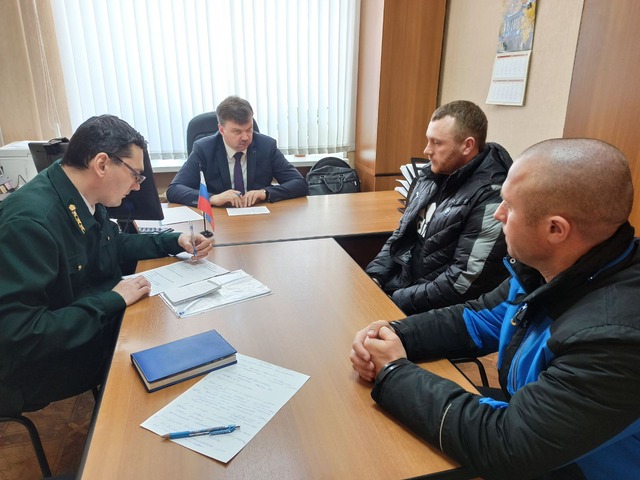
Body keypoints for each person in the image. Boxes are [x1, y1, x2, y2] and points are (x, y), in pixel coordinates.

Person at [350, 138, 640, 479]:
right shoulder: (549, 267)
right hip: (535, 426)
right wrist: (395, 334)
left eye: (509, 206)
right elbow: (479, 318)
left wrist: (393, 372)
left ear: (555, 229)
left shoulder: (616, 339)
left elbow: (506, 444)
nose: (497, 213)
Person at [0, 114, 212, 416]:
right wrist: (111, 300)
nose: (137, 186)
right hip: (38, 367)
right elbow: (21, 335)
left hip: (80, 327)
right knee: (161, 347)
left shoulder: (77, 192)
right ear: (101, 164)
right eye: (135, 175)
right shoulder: (30, 223)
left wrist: (173, 241)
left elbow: (113, 244)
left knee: (171, 326)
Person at [366, 100, 512, 314]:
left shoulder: (491, 196)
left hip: (441, 312)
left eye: (437, 143)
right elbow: (402, 235)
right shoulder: (430, 175)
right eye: (428, 140)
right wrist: (374, 277)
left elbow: (462, 282)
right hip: (406, 290)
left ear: (467, 145)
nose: (427, 150)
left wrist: (394, 299)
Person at [166, 96, 308, 208]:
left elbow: (299, 184)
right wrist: (212, 198)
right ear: (221, 130)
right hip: (220, 220)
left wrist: (265, 193)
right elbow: (174, 190)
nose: (245, 137)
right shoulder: (204, 149)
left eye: (249, 129)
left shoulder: (266, 146)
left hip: (259, 218)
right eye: (237, 132)